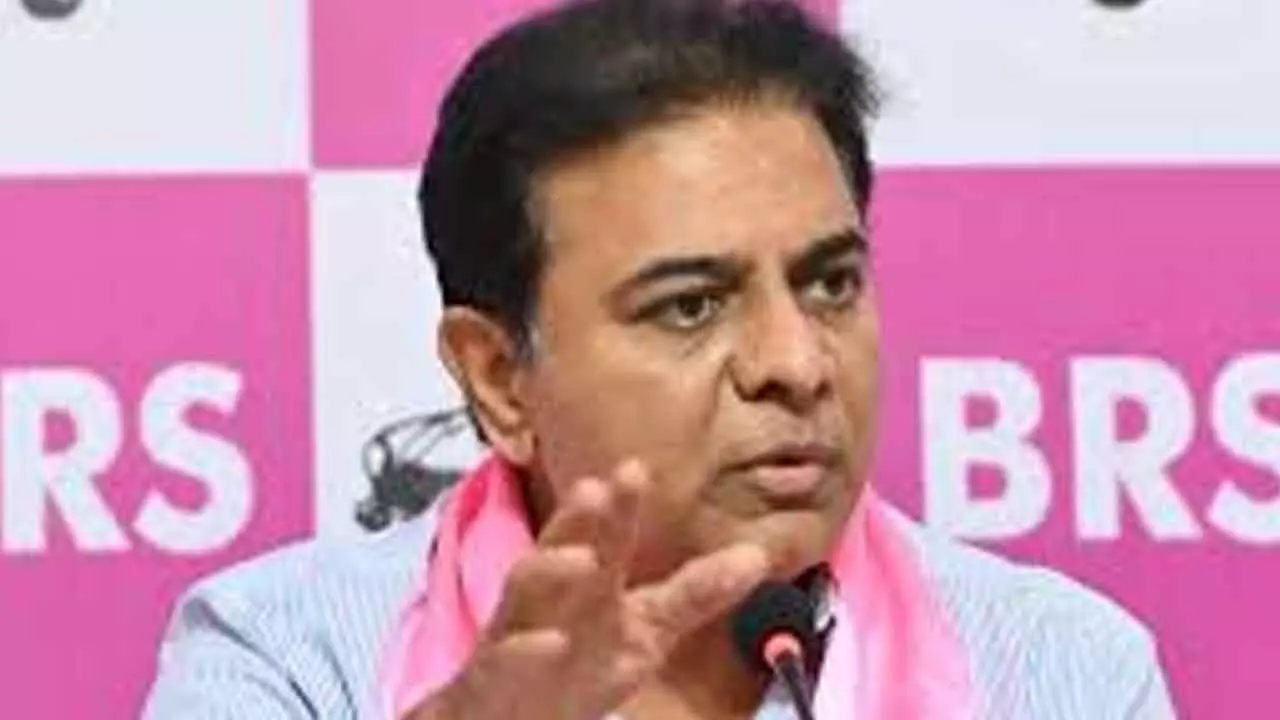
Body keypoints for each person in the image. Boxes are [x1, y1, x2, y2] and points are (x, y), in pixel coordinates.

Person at [143, 0, 1177, 717]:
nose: (795, 363)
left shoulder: (1062, 671)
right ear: (499, 378)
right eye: (690, 306)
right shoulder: (286, 657)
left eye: (829, 283)